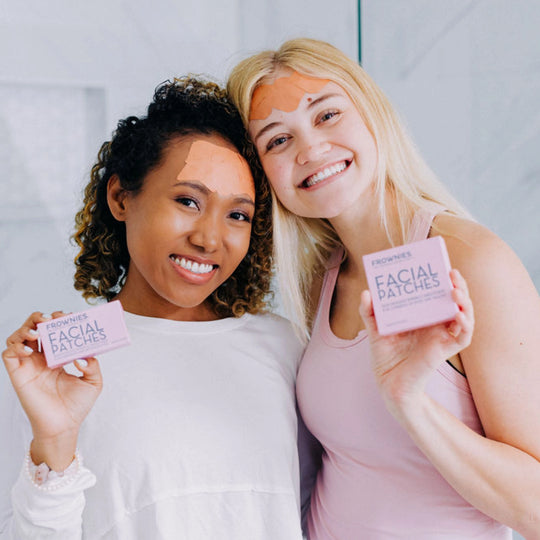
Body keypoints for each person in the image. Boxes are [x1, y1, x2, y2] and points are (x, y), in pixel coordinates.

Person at [227, 38, 540, 539]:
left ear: (373, 114)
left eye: (326, 115)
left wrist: (411, 400)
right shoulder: (322, 280)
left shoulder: (472, 260)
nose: (310, 148)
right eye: (277, 141)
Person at [0, 77, 306, 539]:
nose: (208, 238)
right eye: (188, 201)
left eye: (237, 215)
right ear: (122, 197)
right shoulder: (54, 367)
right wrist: (56, 442)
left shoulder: (285, 347)